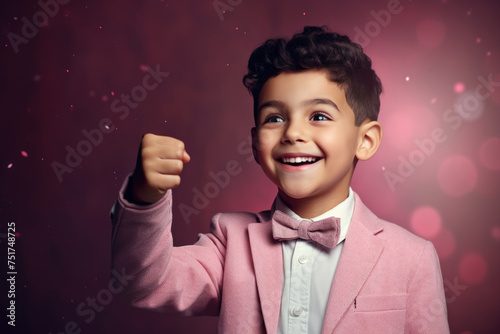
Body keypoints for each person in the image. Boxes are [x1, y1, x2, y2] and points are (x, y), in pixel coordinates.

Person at [110, 26, 450, 333]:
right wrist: (145, 196)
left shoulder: (412, 257)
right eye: (274, 118)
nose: (293, 133)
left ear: (366, 140)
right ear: (256, 144)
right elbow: (141, 283)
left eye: (318, 115)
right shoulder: (231, 241)